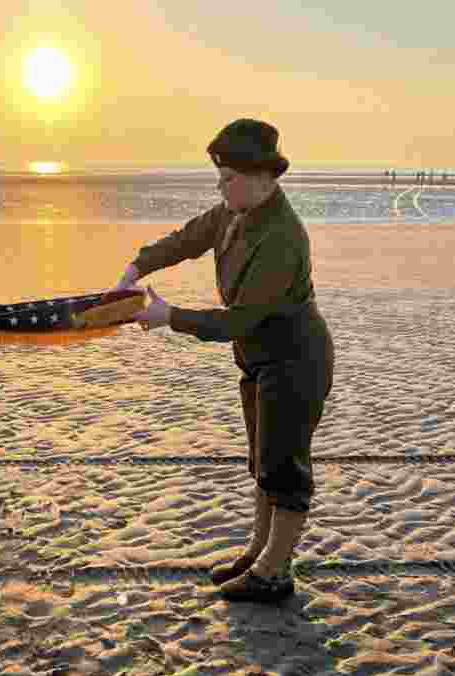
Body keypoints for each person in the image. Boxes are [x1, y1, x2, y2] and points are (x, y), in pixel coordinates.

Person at [113, 119, 334, 603]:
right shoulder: (235, 211)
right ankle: (258, 553)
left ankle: (274, 572)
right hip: (258, 360)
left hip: (294, 359)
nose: (220, 186)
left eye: (228, 178)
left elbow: (239, 321)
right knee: (263, 461)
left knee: (285, 468)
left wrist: (169, 316)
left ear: (263, 177)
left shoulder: (282, 236)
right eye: (220, 176)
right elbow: (188, 238)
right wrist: (137, 266)